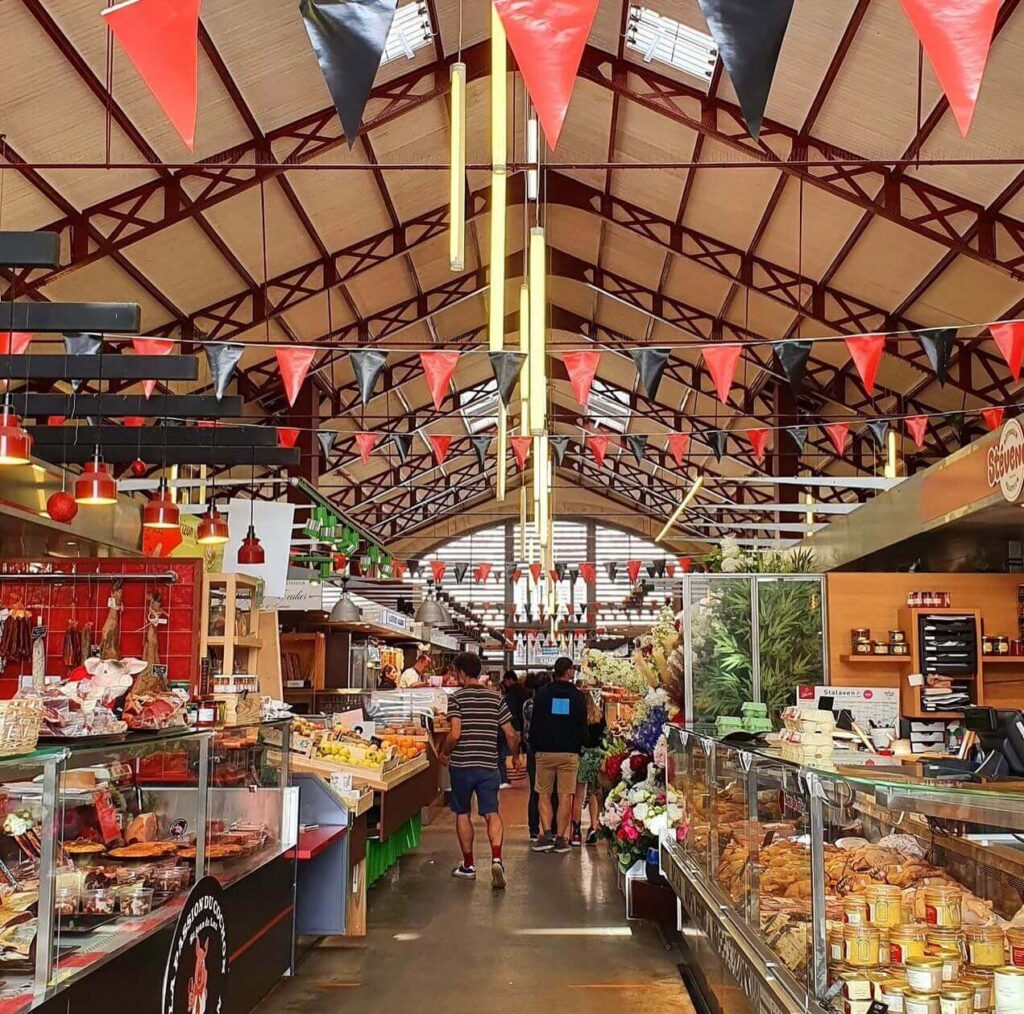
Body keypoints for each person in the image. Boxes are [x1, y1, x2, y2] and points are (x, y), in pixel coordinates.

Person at [439, 652, 518, 889]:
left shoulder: (457, 698)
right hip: (487, 765)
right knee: (491, 812)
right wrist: (515, 757)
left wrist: (444, 752)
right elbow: (511, 734)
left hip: (462, 766)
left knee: (463, 813)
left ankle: (469, 865)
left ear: (461, 673)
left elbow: (455, 733)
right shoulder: (496, 698)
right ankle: (496, 859)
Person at [530, 657, 587, 854]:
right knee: (565, 796)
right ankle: (561, 839)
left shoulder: (543, 693)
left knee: (543, 794)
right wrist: (579, 746)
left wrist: (535, 746)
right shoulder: (577, 696)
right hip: (569, 753)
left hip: (545, 752)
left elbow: (534, 723)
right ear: (568, 671)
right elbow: (582, 725)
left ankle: (546, 836)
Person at [521, 672, 557, 841]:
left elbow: (525, 727)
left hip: (531, 749)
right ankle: (552, 827)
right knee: (552, 790)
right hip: (548, 747)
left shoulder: (527, 704)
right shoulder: (549, 703)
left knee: (535, 790)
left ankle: (533, 828)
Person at [570, 687, 607, 846]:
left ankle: (576, 830)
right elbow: (604, 737)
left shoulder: (576, 717)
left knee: (578, 793)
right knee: (594, 792)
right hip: (597, 756)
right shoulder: (599, 715)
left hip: (582, 756)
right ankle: (594, 825)